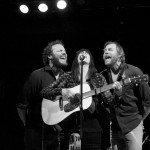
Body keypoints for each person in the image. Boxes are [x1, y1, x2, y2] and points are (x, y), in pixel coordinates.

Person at [40, 48, 109, 150]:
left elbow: (108, 101)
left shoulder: (98, 78)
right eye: (81, 53)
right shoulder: (68, 76)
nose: (84, 54)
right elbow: (44, 91)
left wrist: (118, 92)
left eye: (87, 53)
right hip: (70, 127)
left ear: (91, 60)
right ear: (77, 59)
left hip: (92, 128)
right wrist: (62, 91)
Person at [16, 40, 69, 150]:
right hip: (37, 134)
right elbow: (21, 105)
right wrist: (29, 127)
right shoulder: (37, 75)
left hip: (59, 134)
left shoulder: (68, 77)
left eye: (65, 51)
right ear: (50, 55)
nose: (64, 53)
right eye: (60, 51)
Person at [100, 41, 150, 150]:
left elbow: (148, 103)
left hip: (133, 125)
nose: (105, 52)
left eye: (109, 50)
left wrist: (139, 121)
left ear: (120, 56)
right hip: (114, 127)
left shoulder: (134, 72)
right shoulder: (103, 76)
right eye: (104, 51)